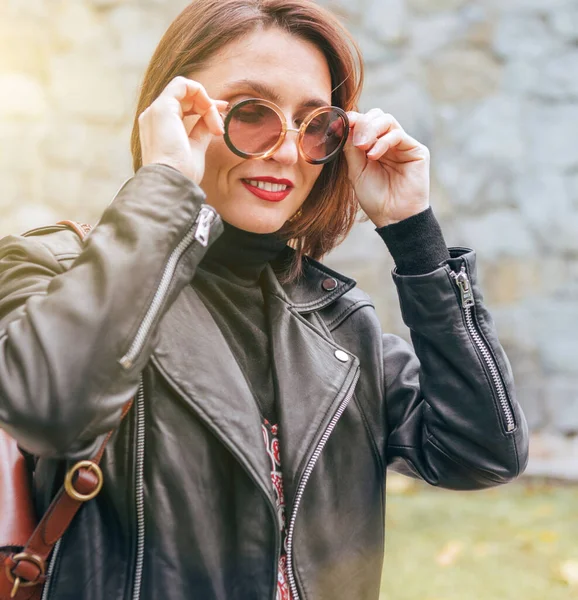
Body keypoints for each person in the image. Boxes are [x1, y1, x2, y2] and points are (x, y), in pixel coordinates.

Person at [0, 1, 529, 599]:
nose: (284, 148)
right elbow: (47, 409)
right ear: (175, 112)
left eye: (315, 124)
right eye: (252, 113)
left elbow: (484, 451)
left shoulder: (336, 326)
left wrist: (415, 237)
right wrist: (165, 186)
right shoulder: (55, 273)